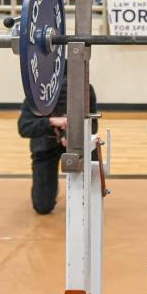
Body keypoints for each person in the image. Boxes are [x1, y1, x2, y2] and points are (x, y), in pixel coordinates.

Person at [18, 83, 98, 215]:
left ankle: (86, 190)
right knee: (43, 207)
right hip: (46, 144)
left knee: (87, 203)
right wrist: (50, 122)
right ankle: (52, 188)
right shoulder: (37, 90)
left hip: (76, 145)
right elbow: (24, 127)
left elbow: (93, 126)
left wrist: (74, 136)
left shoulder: (85, 88)